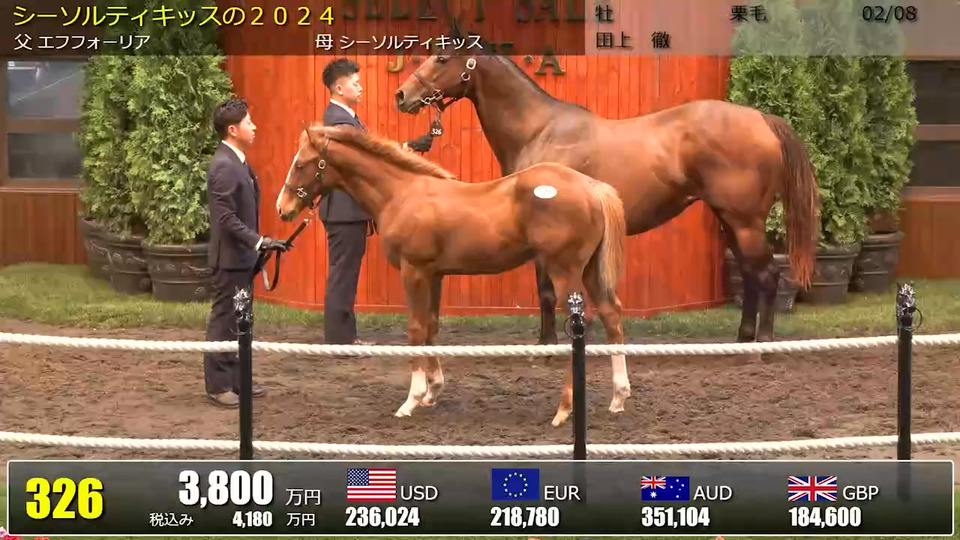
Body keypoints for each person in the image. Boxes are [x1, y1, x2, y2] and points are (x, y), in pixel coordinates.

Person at [319, 58, 433, 348]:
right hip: (344, 211)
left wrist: (409, 147)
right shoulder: (341, 122)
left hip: (347, 211)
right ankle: (340, 341)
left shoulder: (345, 118)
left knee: (345, 275)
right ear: (339, 88)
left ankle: (344, 338)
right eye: (355, 83)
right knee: (343, 276)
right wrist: (408, 149)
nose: (361, 88)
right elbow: (369, 160)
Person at [203, 97, 287, 408]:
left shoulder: (238, 162)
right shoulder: (224, 166)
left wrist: (260, 244)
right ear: (232, 129)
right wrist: (258, 241)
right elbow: (225, 218)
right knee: (224, 320)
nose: (254, 127)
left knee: (241, 320)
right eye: (249, 123)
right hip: (229, 262)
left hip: (241, 260)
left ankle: (239, 380)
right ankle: (218, 386)